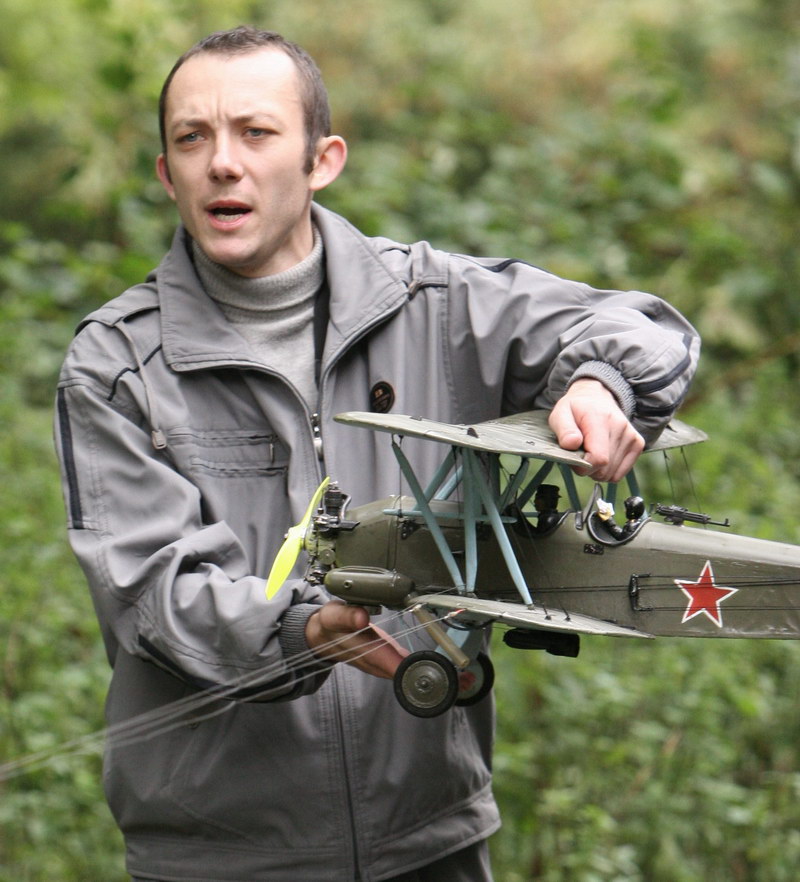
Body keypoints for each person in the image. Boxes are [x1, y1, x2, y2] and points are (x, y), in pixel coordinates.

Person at [54, 25, 700, 882]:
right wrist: (302, 629)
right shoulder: (117, 363)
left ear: (322, 160)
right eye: (192, 137)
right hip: (223, 857)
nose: (223, 163)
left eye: (256, 132)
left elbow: (641, 325)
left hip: (431, 840)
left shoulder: (438, 304)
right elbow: (151, 592)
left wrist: (599, 385)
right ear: (168, 174)